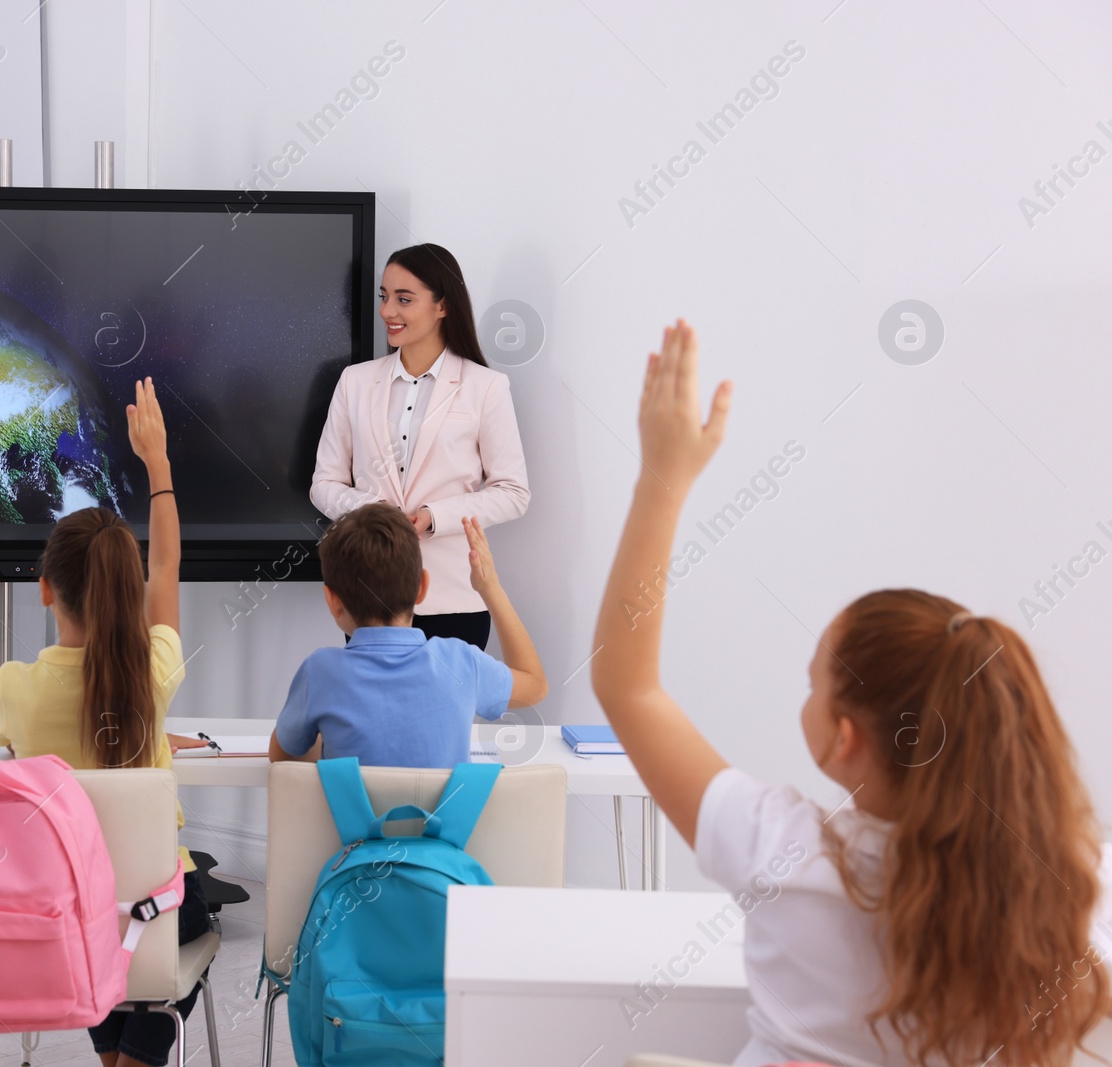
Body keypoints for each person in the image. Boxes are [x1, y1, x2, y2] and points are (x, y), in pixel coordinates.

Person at [590, 321, 1109, 1067]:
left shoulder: (782, 853)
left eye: (814, 681)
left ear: (844, 739)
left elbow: (626, 684)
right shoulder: (1078, 893)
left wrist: (662, 479)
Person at [0, 377, 206, 1067]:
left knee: (98, 915)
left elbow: (37, 749)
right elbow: (167, 565)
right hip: (149, 911)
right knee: (182, 910)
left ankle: (118, 1060)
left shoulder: (14, 688)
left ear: (46, 586)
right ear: (125, 587)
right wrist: (159, 465)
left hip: (64, 912)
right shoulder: (153, 671)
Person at [310, 244, 530, 650]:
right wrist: (375, 514)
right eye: (384, 296)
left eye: (404, 299)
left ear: (442, 305)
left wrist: (434, 516)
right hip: (372, 597)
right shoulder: (354, 382)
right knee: (373, 714)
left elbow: (513, 494)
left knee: (447, 714)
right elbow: (324, 483)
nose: (387, 311)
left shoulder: (486, 387)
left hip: (455, 598)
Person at [268, 502, 546, 767]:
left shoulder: (319, 673)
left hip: (352, 819)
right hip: (443, 818)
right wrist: (490, 588)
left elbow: (282, 757)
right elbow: (535, 685)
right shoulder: (462, 663)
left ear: (332, 601)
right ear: (422, 587)